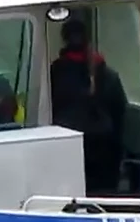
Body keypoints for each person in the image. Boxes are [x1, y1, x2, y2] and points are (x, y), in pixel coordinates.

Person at [48, 19, 129, 194]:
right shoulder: (108, 74)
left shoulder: (54, 74)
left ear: (64, 40)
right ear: (89, 41)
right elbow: (120, 113)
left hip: (67, 151)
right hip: (105, 154)